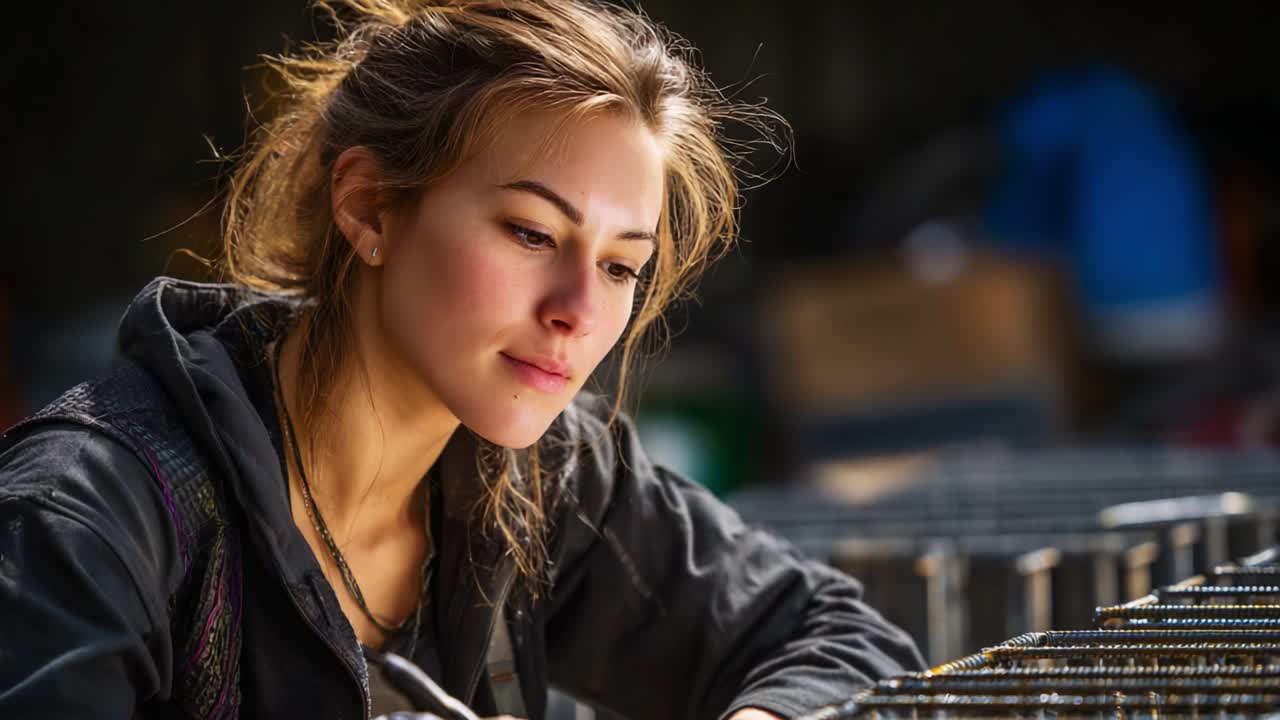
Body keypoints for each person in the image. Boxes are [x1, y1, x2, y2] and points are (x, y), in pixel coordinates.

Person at [0, 1, 923, 718]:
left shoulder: (545, 478)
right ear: (367, 206)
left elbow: (837, 637)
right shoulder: (89, 518)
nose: (575, 312)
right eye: (529, 232)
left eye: (618, 266)